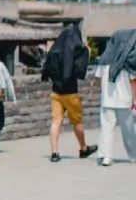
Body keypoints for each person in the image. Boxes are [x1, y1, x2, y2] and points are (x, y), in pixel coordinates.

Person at [42, 21, 94, 162]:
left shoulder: (54, 50)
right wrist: (87, 50)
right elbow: (80, 69)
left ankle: (54, 153)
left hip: (56, 93)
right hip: (71, 93)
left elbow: (46, 69)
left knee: (56, 122)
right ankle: (83, 148)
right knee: (77, 122)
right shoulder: (76, 50)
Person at [95, 28, 136, 166]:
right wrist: (134, 100)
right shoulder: (130, 60)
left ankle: (107, 157)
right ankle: (133, 156)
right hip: (124, 100)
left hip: (107, 100)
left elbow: (98, 79)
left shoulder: (105, 58)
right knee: (128, 130)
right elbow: (133, 82)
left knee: (107, 129)